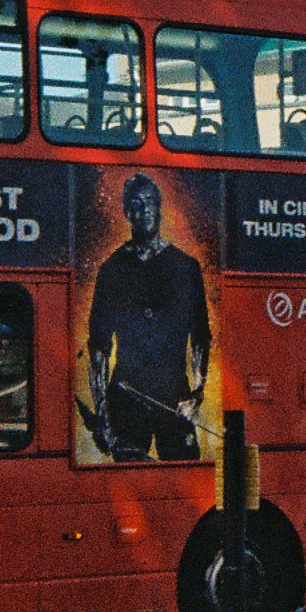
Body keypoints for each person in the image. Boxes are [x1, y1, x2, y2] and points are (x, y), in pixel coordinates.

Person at [85, 174, 210, 459]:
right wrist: (102, 410)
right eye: (136, 205)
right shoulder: (111, 270)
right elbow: (98, 348)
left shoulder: (186, 267)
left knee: (186, 483)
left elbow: (200, 338)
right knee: (128, 479)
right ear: (127, 213)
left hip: (174, 398)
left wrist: (197, 395)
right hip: (126, 399)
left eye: (150, 203)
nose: (144, 211)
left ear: (160, 208)